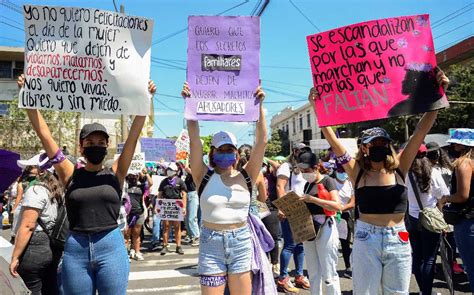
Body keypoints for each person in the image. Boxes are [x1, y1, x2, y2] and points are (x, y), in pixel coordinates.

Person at [308, 69, 449, 294]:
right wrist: (318, 107)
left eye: (383, 142)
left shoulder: (401, 168)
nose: (379, 147)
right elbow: (333, 141)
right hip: (366, 239)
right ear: (364, 148)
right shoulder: (357, 172)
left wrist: (439, 94)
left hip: (399, 239)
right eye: (374, 144)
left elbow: (420, 132)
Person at [17, 74, 156, 294]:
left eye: (101, 143)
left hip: (111, 247)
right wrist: (28, 98)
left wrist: (144, 101)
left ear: (107, 146)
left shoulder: (116, 172)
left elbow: (133, 137)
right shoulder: (69, 173)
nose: (96, 146)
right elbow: (45, 135)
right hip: (76, 250)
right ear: (81, 147)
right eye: (90, 143)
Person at [183, 82, 267, 295]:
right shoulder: (203, 176)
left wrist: (259, 108)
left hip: (240, 241)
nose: (226, 153)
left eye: (230, 149)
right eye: (221, 149)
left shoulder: (247, 176)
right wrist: (190, 105)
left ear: (237, 154)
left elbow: (261, 142)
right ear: (212, 153)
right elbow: (194, 141)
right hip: (211, 244)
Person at [9, 170, 62, 295]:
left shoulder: (36, 190)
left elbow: (28, 226)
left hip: (34, 247)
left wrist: (15, 257)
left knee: (31, 289)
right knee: (49, 287)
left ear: (40, 171)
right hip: (51, 246)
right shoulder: (56, 190)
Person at [297, 151, 342, 295]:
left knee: (329, 272)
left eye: (307, 170)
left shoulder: (327, 180)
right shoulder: (307, 185)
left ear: (316, 167)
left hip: (326, 227)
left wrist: (313, 199)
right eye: (302, 171)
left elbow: (337, 205)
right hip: (309, 229)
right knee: (313, 272)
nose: (304, 173)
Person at [407, 145, 449, 295]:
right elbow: (443, 195)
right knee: (429, 259)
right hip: (430, 219)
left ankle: (422, 290)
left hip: (412, 220)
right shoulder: (433, 172)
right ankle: (426, 292)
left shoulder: (406, 173)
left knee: (417, 257)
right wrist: (439, 208)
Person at [439, 128, 474, 292]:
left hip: (467, 221)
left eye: (454, 143)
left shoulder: (464, 164)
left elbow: (462, 195)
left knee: (471, 267)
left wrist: (446, 198)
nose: (451, 146)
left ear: (461, 145)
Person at [276, 143, 310, 293]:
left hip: (303, 209)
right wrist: (283, 207)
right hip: (290, 207)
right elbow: (280, 187)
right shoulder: (286, 166)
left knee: (300, 245)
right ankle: (283, 278)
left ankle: (299, 276)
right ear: (295, 151)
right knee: (290, 244)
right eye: (301, 151)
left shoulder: (303, 167)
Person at [158, 162, 187, 255]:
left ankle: (178, 246)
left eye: (171, 170)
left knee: (177, 226)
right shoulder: (164, 182)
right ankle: (165, 246)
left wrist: (184, 207)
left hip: (176, 206)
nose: (168, 171)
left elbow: (184, 195)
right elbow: (160, 194)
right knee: (165, 226)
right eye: (168, 170)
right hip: (166, 206)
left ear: (175, 171)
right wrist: (158, 207)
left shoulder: (180, 181)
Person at [261, 159, 281, 277]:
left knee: (273, 237)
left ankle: (275, 264)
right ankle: (264, 264)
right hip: (258, 209)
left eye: (263, 166)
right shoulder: (253, 176)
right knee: (261, 238)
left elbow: (279, 167)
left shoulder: (271, 177)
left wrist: (265, 158)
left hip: (271, 209)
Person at [125, 172, 151, 261]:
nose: (133, 178)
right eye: (131, 176)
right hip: (127, 214)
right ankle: (125, 254)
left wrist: (145, 173)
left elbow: (150, 183)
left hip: (139, 213)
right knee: (126, 235)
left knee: (136, 234)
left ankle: (137, 252)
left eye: (135, 176)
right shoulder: (125, 186)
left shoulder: (141, 187)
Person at [334, 169, 355, 279]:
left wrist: (341, 209)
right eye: (340, 170)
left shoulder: (349, 183)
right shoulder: (331, 182)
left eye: (344, 171)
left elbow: (353, 202)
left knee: (345, 243)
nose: (342, 173)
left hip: (345, 216)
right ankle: (330, 268)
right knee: (331, 243)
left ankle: (348, 267)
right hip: (331, 216)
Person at [184, 164, 200, 247]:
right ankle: (191, 236)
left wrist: (186, 158)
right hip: (187, 194)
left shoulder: (195, 172)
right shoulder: (187, 175)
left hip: (193, 194)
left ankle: (197, 236)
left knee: (192, 217)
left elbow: (186, 168)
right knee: (186, 217)